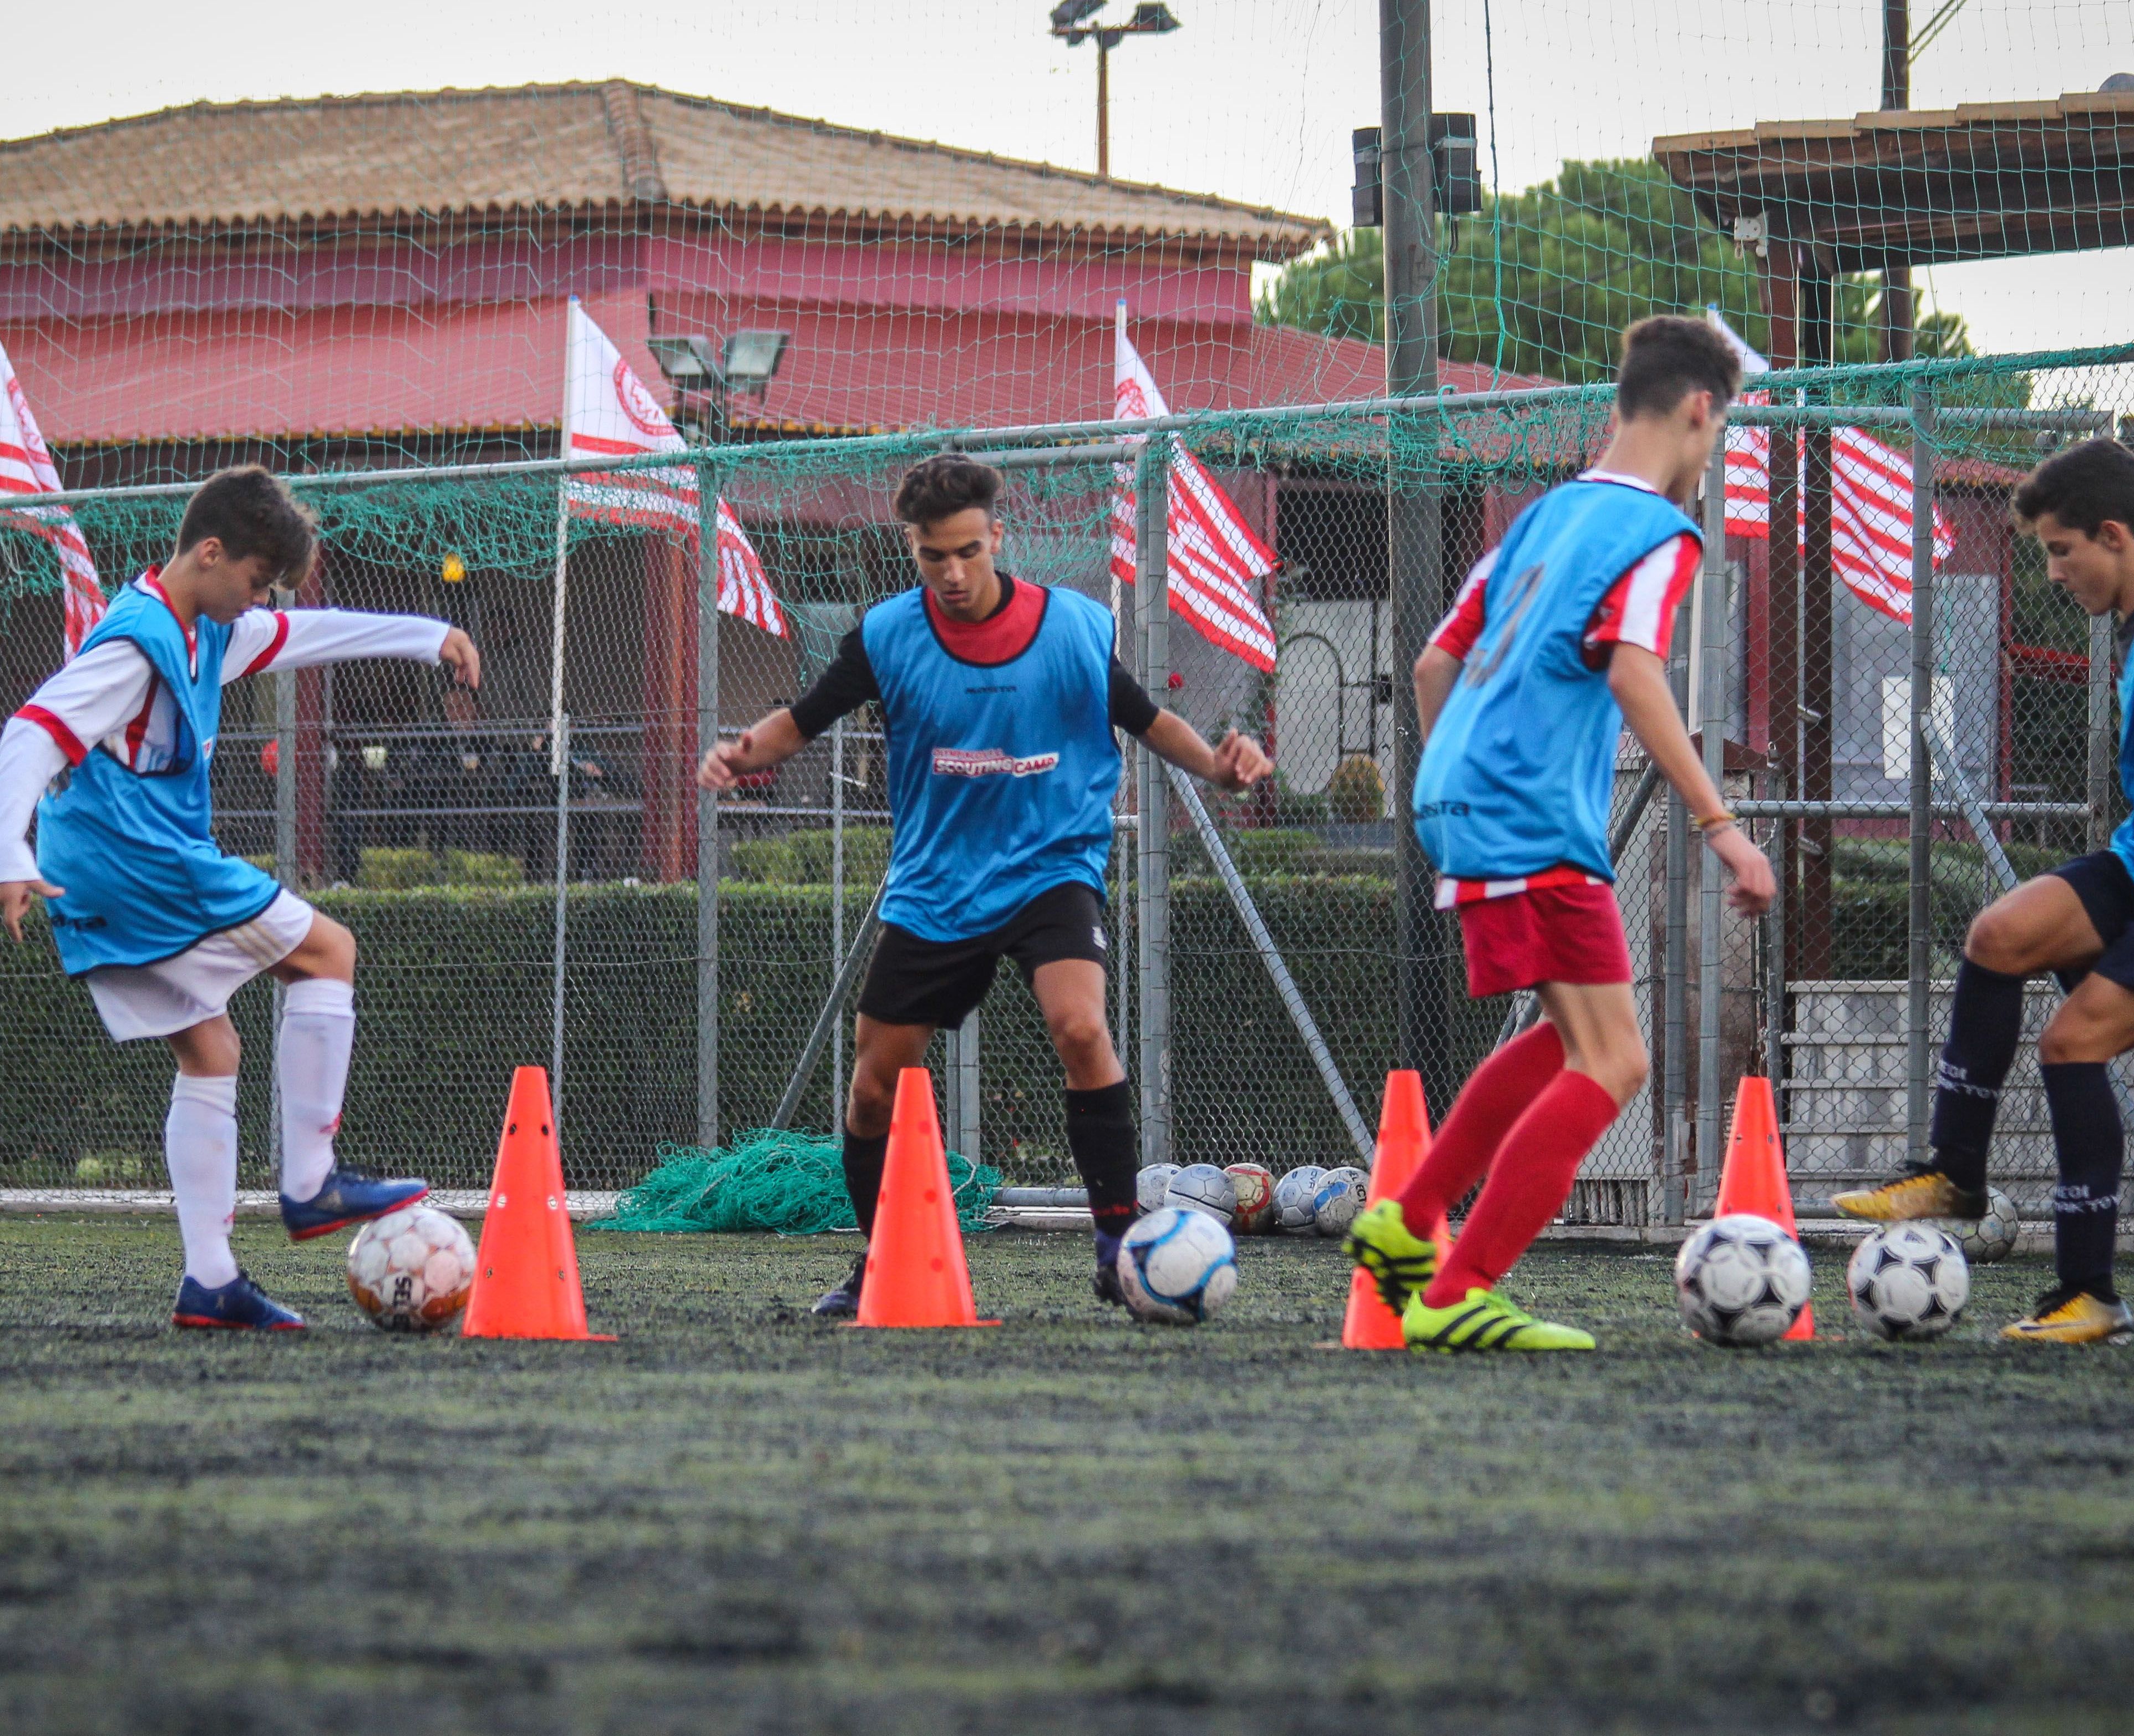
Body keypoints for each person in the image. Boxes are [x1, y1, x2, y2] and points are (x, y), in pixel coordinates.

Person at [697, 453, 1271, 1316]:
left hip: (1051, 865)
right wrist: (745, 752)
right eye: (936, 556)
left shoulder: (1073, 630)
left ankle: (1118, 1247)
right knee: (873, 1087)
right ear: (914, 550)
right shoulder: (889, 636)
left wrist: (1222, 768)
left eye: (970, 550)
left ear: (997, 536)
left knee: (1080, 1026)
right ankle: (884, 1259)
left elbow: (1148, 721)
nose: (955, 572)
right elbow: (803, 717)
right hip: (937, 885)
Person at [1834, 437, 2134, 1342]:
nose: (2056, 572)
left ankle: (2088, 1293)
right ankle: (1954, 1173)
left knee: (2070, 1045)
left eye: (2062, 551)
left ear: (2113, 535)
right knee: (1998, 935)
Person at [1344, 314, 1775, 1352]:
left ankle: (1404, 1222)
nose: (1712, 456)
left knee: (1569, 1039)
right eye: (1719, 435)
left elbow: (1433, 667)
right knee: (1616, 1063)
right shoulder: (1661, 535)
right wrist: (1723, 826)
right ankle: (1456, 1292)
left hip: (1459, 798)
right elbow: (1634, 672)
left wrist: (1467, 778)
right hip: (1529, 811)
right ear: (1697, 412)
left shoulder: (1537, 518)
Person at [0, 466, 481, 1329]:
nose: (257, 602)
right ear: (210, 553)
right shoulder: (138, 642)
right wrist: (2, 851)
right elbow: (32, 729)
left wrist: (426, 633)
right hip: (139, 862)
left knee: (211, 1049)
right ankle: (311, 1183)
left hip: (101, 873)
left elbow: (309, 631)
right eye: (253, 581)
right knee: (330, 951)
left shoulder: (214, 627)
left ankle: (211, 1281)